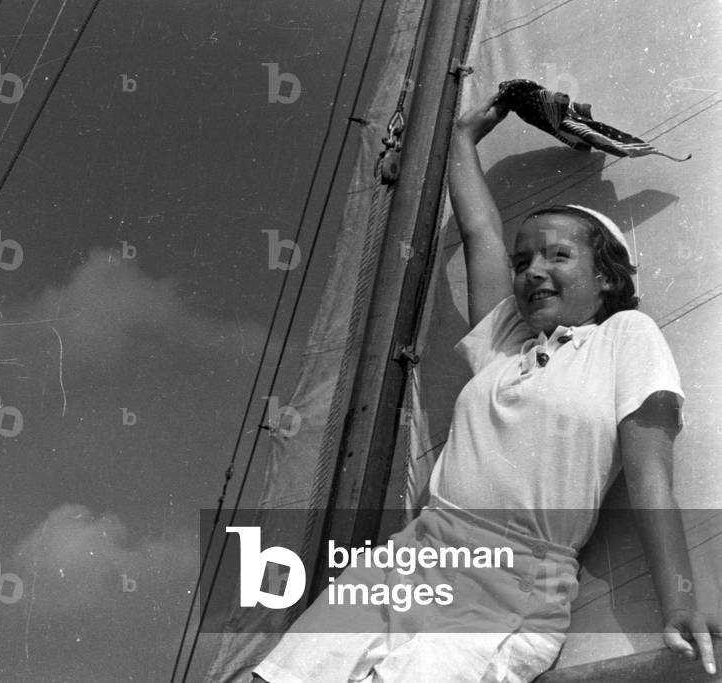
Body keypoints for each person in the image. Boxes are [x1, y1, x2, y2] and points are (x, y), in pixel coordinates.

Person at [250, 93, 720, 682]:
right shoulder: (503, 340)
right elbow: (480, 231)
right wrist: (463, 139)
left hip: (513, 581)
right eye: (524, 262)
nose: (532, 271)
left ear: (604, 276)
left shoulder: (625, 336)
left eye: (558, 255)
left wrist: (679, 600)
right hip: (411, 554)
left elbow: (652, 481)